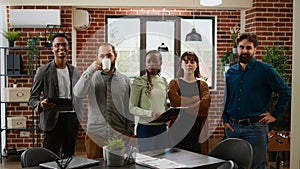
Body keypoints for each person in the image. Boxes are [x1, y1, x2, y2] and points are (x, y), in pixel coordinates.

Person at [222, 32, 291, 169]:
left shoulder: (265, 70)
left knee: (257, 166)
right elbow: (226, 98)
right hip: (233, 128)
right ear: (237, 48)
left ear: (255, 50)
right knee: (234, 166)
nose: (244, 51)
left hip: (255, 129)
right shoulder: (230, 73)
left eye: (249, 48)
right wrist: (225, 120)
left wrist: (274, 114)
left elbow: (285, 91)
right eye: (242, 47)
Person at [73, 43, 135, 159]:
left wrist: (129, 131)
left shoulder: (125, 81)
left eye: (109, 55)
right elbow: (78, 93)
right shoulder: (90, 77)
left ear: (115, 56)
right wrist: (90, 70)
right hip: (95, 134)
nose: (106, 59)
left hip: (119, 134)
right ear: (97, 58)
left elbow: (129, 108)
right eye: (102, 56)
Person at [29, 33, 83, 158]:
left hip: (72, 119)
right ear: (52, 48)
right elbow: (32, 98)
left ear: (68, 47)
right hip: (52, 120)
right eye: (57, 45)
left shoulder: (75, 71)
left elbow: (78, 96)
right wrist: (40, 105)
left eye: (64, 44)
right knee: (49, 158)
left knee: (69, 157)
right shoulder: (43, 71)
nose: (61, 48)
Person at [168, 51, 211, 154]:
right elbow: (175, 102)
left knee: (197, 160)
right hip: (177, 129)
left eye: (192, 62)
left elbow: (204, 106)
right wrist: (194, 100)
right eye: (186, 62)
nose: (189, 64)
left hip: (196, 130)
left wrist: (183, 109)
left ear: (196, 65)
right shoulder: (174, 83)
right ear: (181, 65)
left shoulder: (203, 85)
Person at [129, 50, 169, 152]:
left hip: (162, 129)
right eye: (149, 61)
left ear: (160, 63)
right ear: (145, 64)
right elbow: (132, 108)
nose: (151, 63)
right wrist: (150, 114)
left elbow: (163, 106)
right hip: (146, 129)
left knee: (163, 161)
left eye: (155, 61)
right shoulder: (139, 81)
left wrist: (170, 114)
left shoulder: (164, 81)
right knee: (146, 161)